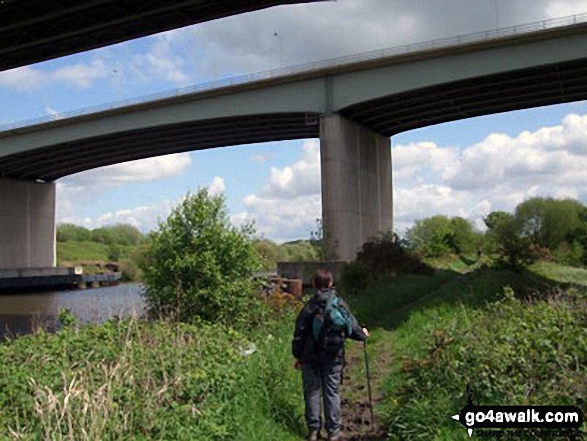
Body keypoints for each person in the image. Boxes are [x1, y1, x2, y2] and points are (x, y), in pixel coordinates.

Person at [292, 269, 369, 441]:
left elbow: (299, 333)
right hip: (333, 356)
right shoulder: (338, 303)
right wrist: (363, 335)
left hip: (309, 357)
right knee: (331, 392)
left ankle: (313, 431)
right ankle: (333, 432)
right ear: (331, 283)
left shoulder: (309, 305)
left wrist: (298, 355)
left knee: (312, 392)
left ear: (313, 284)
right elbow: (352, 326)